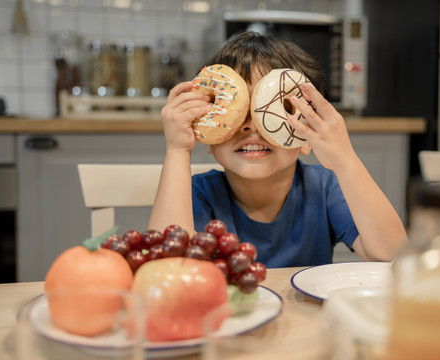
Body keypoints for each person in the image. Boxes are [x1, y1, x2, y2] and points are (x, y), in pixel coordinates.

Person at [148, 31, 407, 267]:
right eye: (238, 111)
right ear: (208, 136)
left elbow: (391, 254)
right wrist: (178, 150)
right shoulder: (200, 195)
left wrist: (346, 160)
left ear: (307, 139)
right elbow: (167, 265)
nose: (250, 126)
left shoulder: (323, 188)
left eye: (273, 110)